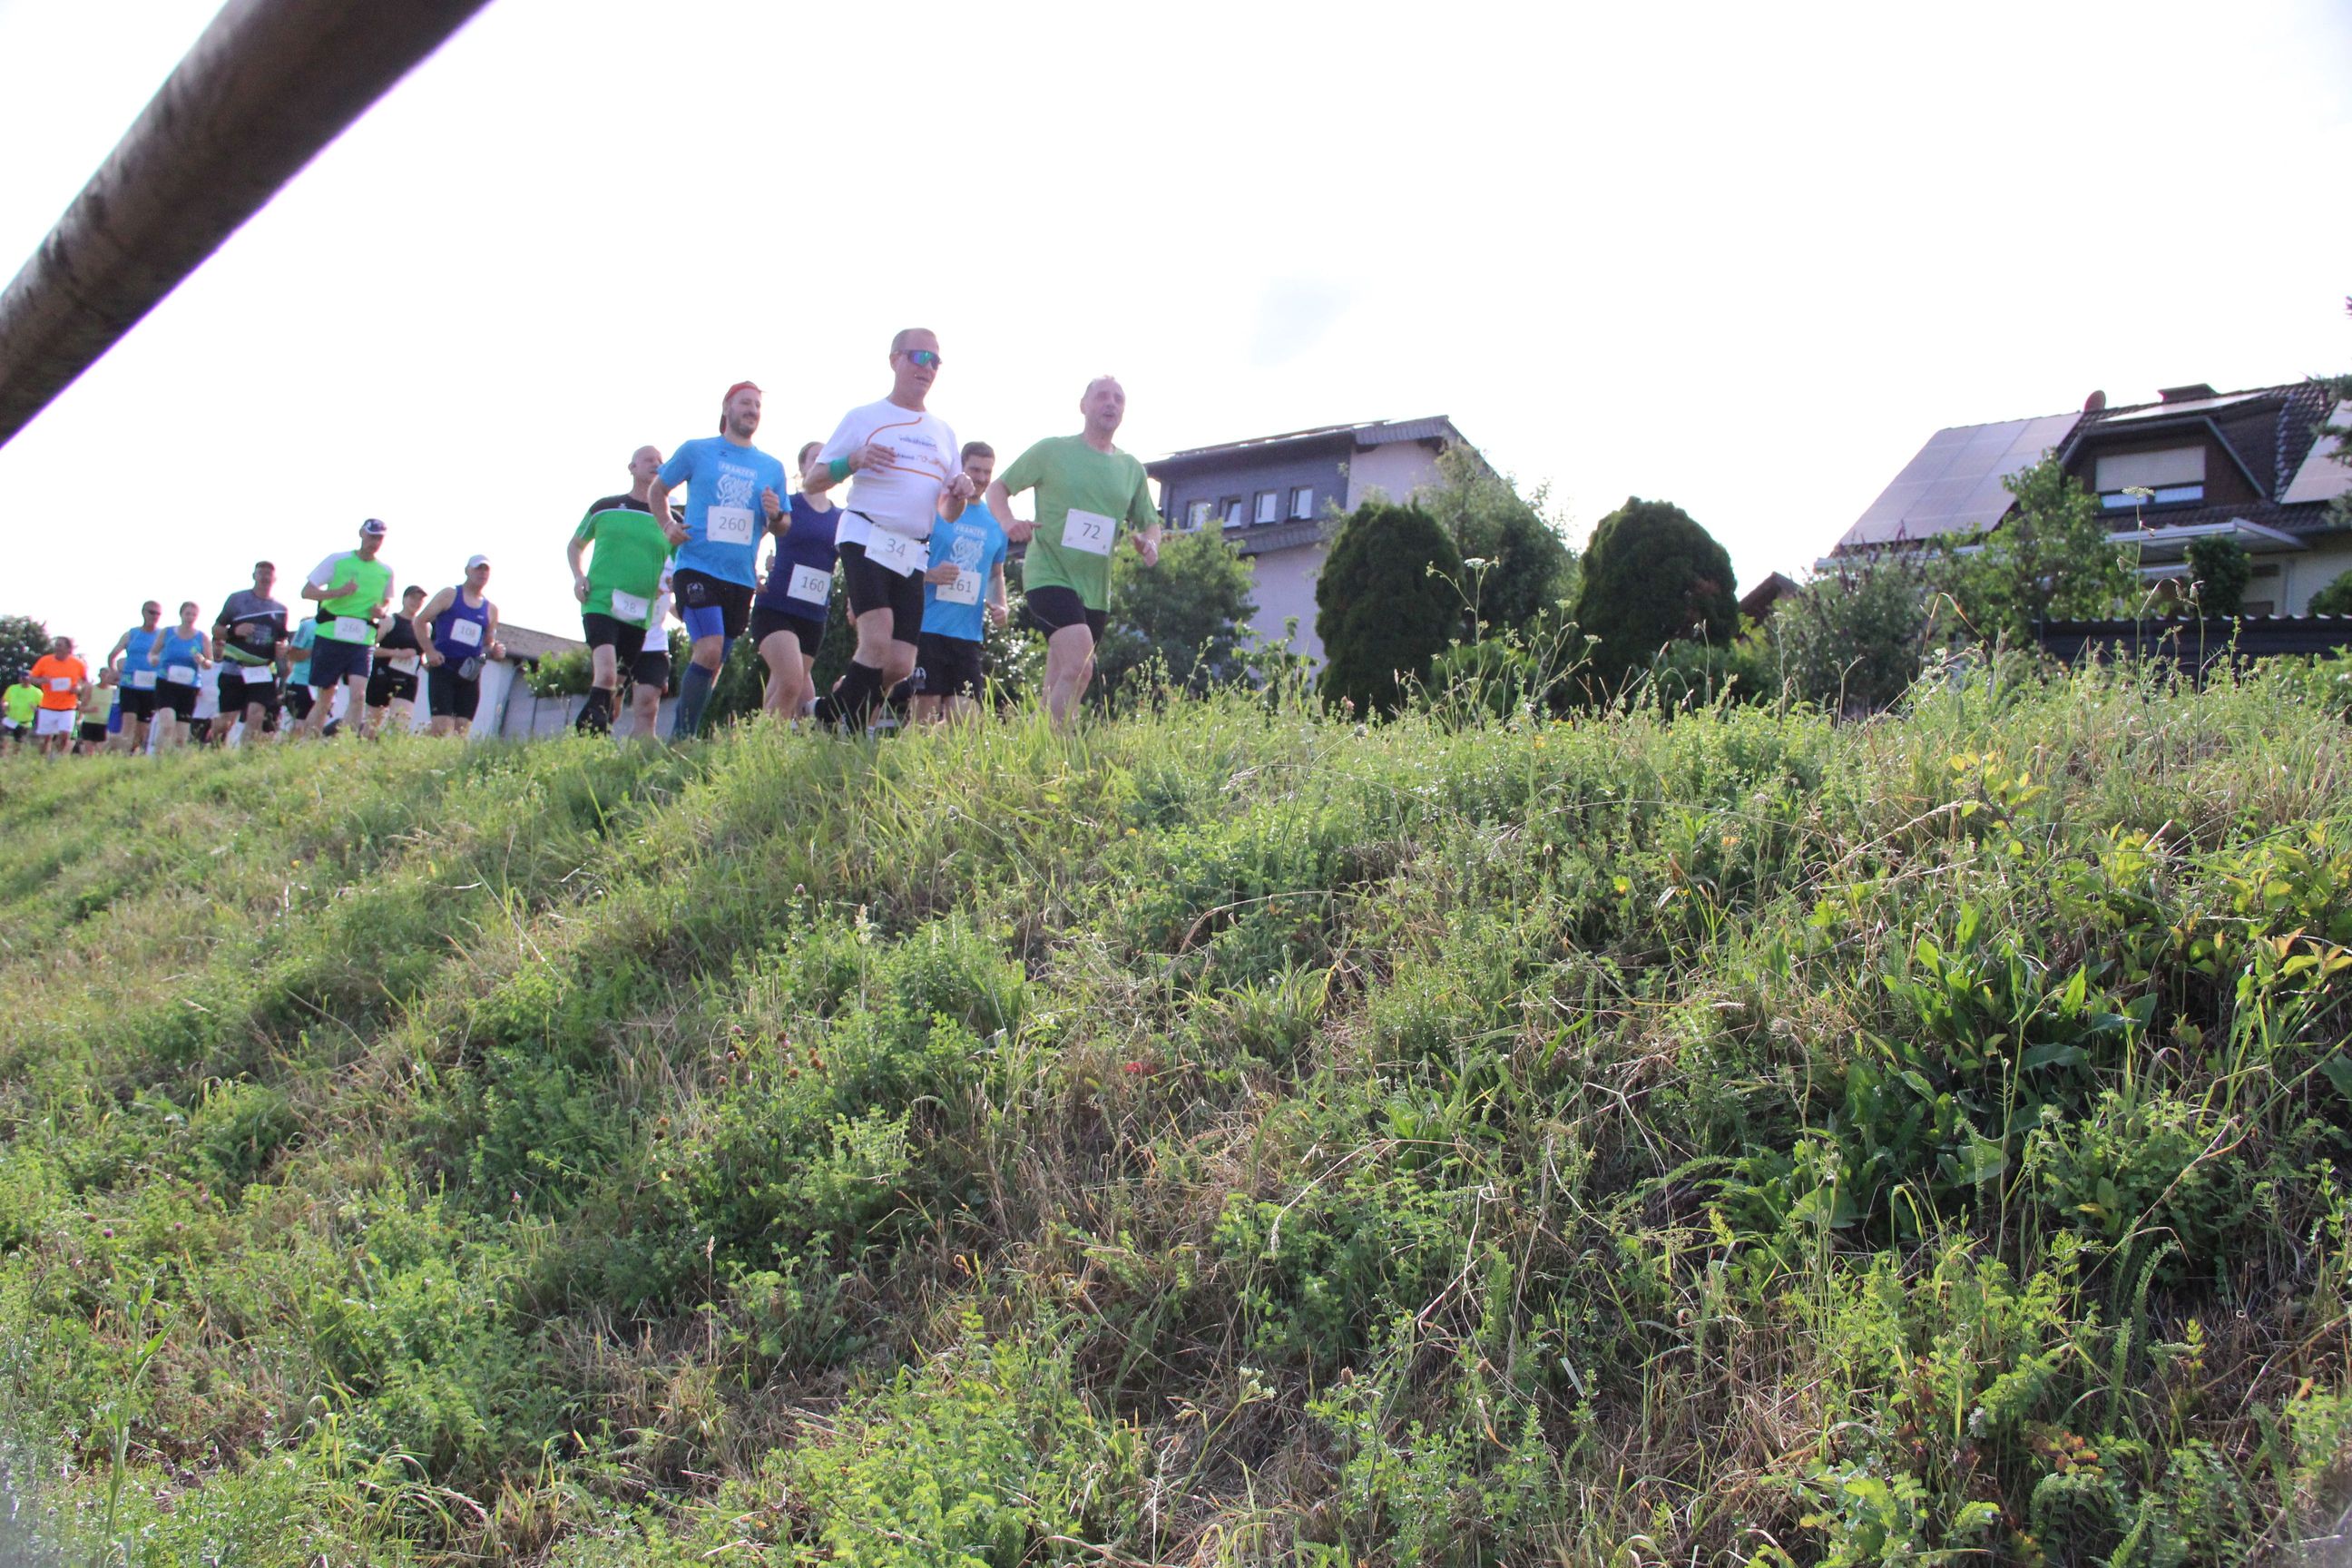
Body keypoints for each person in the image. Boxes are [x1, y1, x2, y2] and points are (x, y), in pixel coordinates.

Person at [805, 328, 975, 732]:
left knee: (899, 665)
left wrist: (960, 493)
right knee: (877, 641)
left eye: (936, 361)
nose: (928, 368)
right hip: (866, 536)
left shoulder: (944, 432)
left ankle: (827, 713)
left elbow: (949, 512)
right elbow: (813, 481)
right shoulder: (864, 417)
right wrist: (853, 460)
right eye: (920, 357)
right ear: (895, 359)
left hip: (912, 550)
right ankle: (848, 738)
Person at [986, 376, 1163, 727]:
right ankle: (1054, 743)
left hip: (1095, 589)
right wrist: (1008, 522)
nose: (1111, 403)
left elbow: (1150, 522)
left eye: (1118, 399)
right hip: (1049, 573)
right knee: (1080, 667)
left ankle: (1034, 743)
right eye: (1102, 396)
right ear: (1083, 406)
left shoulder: (1131, 468)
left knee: (1062, 680)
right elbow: (998, 488)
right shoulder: (1052, 451)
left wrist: (1150, 545)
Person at [650, 384, 787, 740]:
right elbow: (657, 489)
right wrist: (667, 525)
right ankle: (681, 738)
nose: (752, 410)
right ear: (727, 407)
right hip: (697, 566)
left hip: (739, 579)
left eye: (757, 405)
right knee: (708, 650)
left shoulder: (772, 467)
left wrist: (775, 514)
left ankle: (687, 738)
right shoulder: (697, 451)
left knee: (715, 663)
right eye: (745, 403)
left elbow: (782, 525)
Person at [569, 445, 676, 739]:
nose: (656, 464)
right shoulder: (605, 507)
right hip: (601, 602)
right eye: (649, 459)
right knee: (605, 674)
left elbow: (684, 565)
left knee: (614, 690)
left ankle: (586, 742)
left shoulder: (670, 523)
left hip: (639, 615)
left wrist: (675, 584)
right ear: (632, 467)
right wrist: (579, 576)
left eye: (661, 461)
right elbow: (575, 544)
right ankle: (589, 741)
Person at [912, 442, 1010, 725]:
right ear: (961, 469)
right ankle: (904, 754)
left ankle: (938, 757)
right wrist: (931, 575)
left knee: (965, 720)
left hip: (967, 634)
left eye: (987, 472)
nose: (981, 478)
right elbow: (903, 559)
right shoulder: (937, 507)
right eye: (974, 470)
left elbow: (996, 573)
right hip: (927, 627)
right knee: (924, 716)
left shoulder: (995, 522)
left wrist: (1002, 605)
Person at [749, 440, 844, 723]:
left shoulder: (842, 518)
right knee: (790, 681)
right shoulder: (789, 505)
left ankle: (762, 742)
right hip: (776, 607)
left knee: (789, 690)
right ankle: (761, 746)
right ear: (802, 467)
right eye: (815, 458)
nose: (821, 463)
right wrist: (749, 571)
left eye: (828, 458)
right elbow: (754, 535)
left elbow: (853, 563)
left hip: (813, 615)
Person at [299, 518, 396, 737]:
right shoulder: (338, 560)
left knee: (359, 695)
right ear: (362, 534)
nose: (374, 542)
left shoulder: (385, 571)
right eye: (371, 536)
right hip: (331, 634)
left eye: (379, 538)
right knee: (326, 695)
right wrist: (338, 592)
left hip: (363, 638)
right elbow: (307, 592)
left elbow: (387, 601)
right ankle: (309, 742)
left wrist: (381, 611)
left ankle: (347, 744)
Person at [416, 554, 506, 739]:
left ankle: (444, 757)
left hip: (469, 673)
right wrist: (429, 651)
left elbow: (488, 643)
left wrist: (496, 650)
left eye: (486, 570)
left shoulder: (491, 609)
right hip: (444, 667)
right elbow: (420, 621)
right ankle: (423, 748)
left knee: (462, 731)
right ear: (467, 571)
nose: (482, 573)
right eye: (478, 568)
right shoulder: (449, 594)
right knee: (441, 728)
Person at [215, 561, 289, 744]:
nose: (265, 577)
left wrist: (282, 647)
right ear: (254, 576)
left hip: (262, 669)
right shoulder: (237, 600)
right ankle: (212, 743)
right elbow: (216, 629)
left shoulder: (281, 609)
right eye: (261, 573)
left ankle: (246, 755)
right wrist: (234, 631)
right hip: (234, 667)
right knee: (227, 719)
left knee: (256, 714)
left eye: (269, 574)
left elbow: (282, 638)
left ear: (275, 579)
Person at [364, 585, 429, 737]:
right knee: (372, 725)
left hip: (408, 679)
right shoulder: (389, 620)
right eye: (413, 598)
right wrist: (396, 653)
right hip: (383, 676)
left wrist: (429, 664)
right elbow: (370, 648)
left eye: (420, 600)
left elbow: (422, 654)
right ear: (404, 599)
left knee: (401, 723)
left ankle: (391, 750)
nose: (416, 602)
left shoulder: (425, 627)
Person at [149, 601, 213, 750]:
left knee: (181, 736)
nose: (190, 618)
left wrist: (202, 661)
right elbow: (153, 652)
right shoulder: (168, 633)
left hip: (188, 687)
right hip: (166, 683)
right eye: (187, 614)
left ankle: (174, 760)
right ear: (181, 614)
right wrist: (153, 659)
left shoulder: (202, 637)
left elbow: (210, 663)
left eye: (194, 615)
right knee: (167, 723)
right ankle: (158, 757)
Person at [104, 601, 165, 752]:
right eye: (151, 612)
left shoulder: (162, 636)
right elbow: (112, 655)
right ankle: (122, 757)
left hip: (151, 688)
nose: (154, 616)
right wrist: (114, 672)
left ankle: (113, 748)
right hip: (130, 685)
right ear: (143, 612)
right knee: (128, 723)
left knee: (142, 732)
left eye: (158, 614)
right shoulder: (132, 634)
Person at [26, 636, 88, 758]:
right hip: (48, 706)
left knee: (65, 736)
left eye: (60, 645)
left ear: (68, 649)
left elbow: (85, 681)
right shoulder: (45, 661)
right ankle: (43, 759)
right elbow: (32, 678)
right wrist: (42, 680)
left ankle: (56, 758)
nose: (57, 648)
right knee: (45, 738)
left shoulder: (78, 663)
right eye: (56, 645)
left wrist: (78, 688)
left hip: (68, 707)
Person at [283, 613, 318, 730]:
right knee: (300, 726)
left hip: (324, 685)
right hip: (300, 683)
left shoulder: (338, 627)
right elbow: (292, 655)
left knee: (316, 728)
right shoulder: (308, 625)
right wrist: (316, 650)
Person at [76, 668, 116, 754]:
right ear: (99, 676)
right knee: (89, 752)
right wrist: (89, 709)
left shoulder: (113, 691)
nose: (106, 678)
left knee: (101, 751)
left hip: (104, 724)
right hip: (89, 722)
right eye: (103, 675)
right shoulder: (91, 689)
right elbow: (81, 708)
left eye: (108, 676)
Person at [3, 671, 38, 752]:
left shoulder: (37, 692)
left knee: (18, 742)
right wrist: (5, 705)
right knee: (4, 739)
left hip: (24, 723)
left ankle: (15, 756)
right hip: (10, 719)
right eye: (22, 678)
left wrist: (35, 709)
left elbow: (43, 707)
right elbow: (4, 700)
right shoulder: (12, 688)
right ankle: (3, 755)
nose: (24, 680)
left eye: (26, 679)